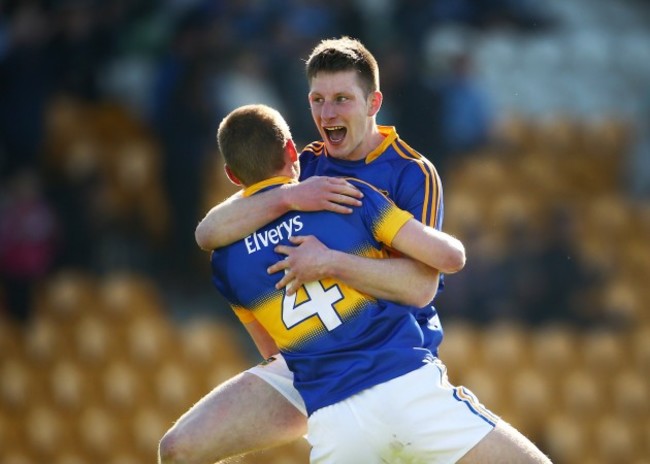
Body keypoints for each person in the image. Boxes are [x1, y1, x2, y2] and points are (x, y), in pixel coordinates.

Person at [159, 37, 551, 463]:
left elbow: (420, 287)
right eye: (317, 100)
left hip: (384, 352)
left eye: (342, 99)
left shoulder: (411, 171)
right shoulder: (304, 167)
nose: (327, 114)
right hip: (310, 360)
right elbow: (208, 231)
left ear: (373, 102)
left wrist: (329, 262)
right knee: (179, 449)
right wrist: (289, 198)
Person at [208, 102, 494, 463]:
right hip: (402, 383)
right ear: (292, 151)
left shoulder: (225, 262)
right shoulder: (346, 196)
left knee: (175, 450)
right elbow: (450, 258)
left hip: (331, 421)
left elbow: (274, 353)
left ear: (232, 176)